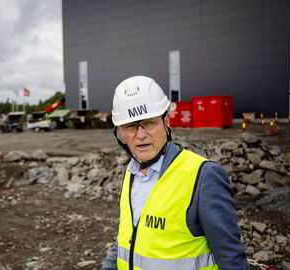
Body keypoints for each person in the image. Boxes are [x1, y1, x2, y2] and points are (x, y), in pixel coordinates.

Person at [101, 76, 249, 269]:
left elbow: (231, 260)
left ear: (167, 121)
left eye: (149, 123)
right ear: (120, 131)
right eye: (131, 126)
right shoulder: (131, 172)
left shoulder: (204, 177)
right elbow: (128, 237)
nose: (140, 134)